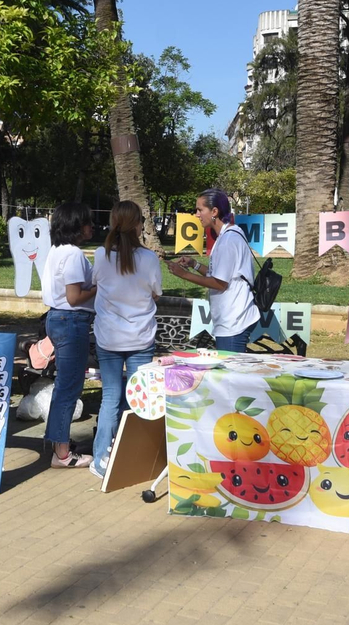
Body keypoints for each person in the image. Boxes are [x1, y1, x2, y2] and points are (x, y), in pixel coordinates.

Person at [90, 201, 163, 479]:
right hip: (140, 338)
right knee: (138, 399)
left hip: (108, 338)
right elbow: (156, 292)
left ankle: (100, 460)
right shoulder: (149, 259)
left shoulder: (101, 255)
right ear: (137, 224)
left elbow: (98, 284)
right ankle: (135, 456)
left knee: (110, 397)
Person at [40, 201, 96, 469]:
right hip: (72, 320)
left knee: (64, 385)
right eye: (87, 221)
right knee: (69, 387)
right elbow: (74, 297)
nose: (92, 226)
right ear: (76, 225)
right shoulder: (73, 254)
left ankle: (58, 442)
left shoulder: (55, 250)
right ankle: (62, 454)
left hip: (57, 318)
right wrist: (98, 286)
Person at [169, 188, 259, 352]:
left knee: (231, 375)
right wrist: (194, 264)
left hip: (234, 321)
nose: (196, 214)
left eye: (200, 210)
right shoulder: (226, 236)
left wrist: (183, 274)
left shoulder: (228, 240)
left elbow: (219, 283)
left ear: (214, 211)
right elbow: (218, 275)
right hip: (230, 319)